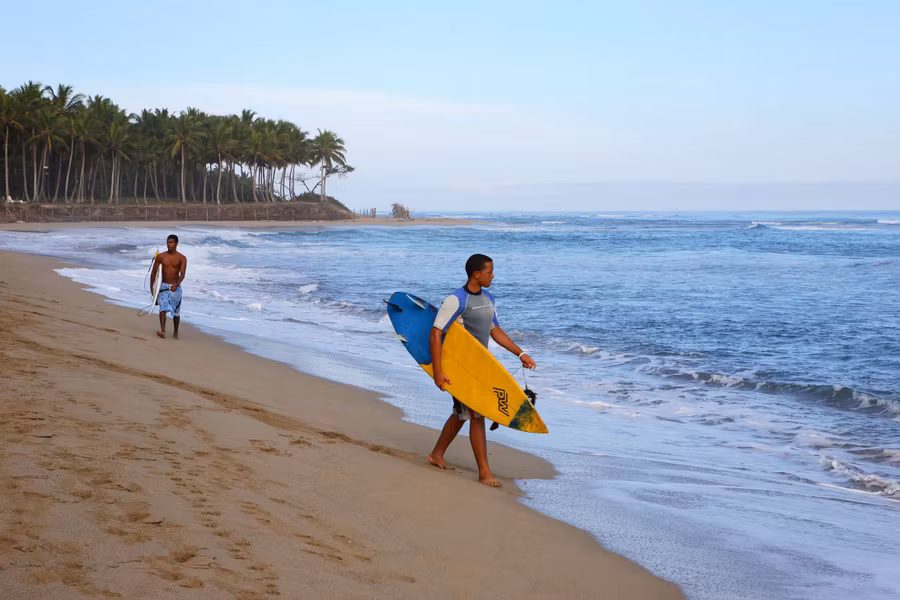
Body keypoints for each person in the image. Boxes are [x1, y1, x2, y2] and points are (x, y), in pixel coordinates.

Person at [427, 253, 536, 487]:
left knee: (462, 414)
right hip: (458, 368)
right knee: (476, 415)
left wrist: (520, 353)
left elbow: (495, 331)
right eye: (489, 272)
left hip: (479, 366)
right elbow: (436, 334)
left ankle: (436, 454)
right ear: (477, 274)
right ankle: (484, 472)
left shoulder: (489, 299)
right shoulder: (456, 300)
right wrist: (438, 372)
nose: (493, 276)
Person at [151, 234, 187, 339]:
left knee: (176, 311)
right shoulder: (161, 257)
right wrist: (152, 289)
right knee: (163, 308)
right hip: (163, 286)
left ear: (176, 243)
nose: (169, 244)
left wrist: (177, 284)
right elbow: (154, 273)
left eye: (171, 242)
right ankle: (162, 330)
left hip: (176, 287)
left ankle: (175, 332)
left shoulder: (182, 258)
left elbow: (183, 274)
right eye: (168, 242)